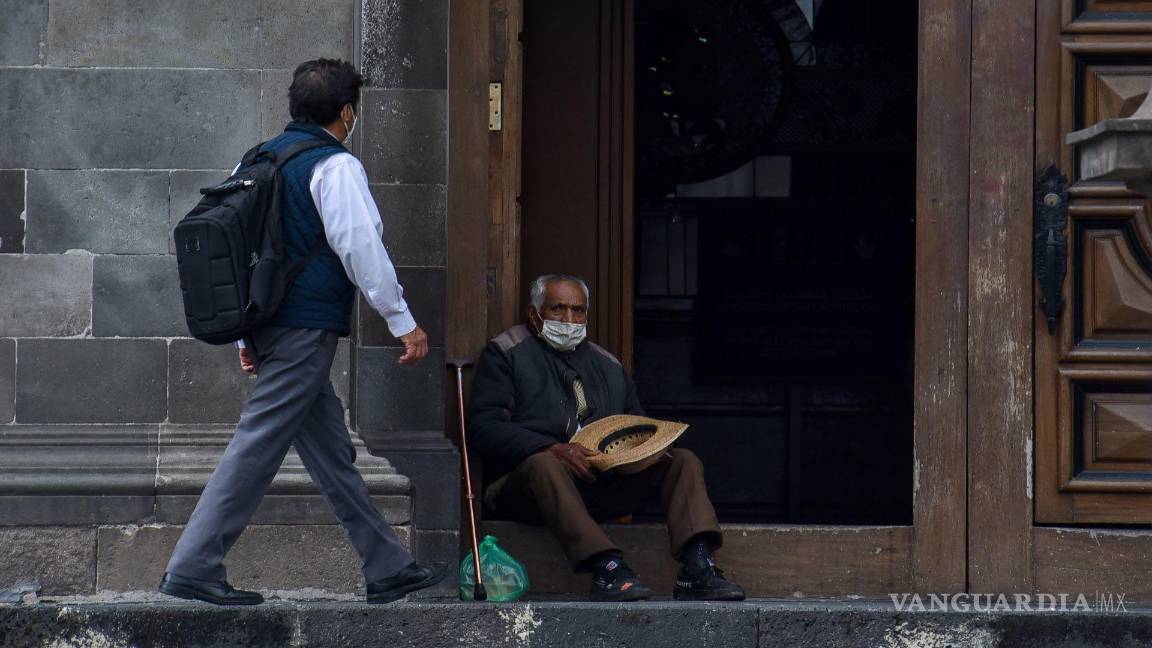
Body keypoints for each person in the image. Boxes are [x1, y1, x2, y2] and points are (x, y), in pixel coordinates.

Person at [159, 59, 449, 605]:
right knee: (259, 442)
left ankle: (387, 567)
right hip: (304, 328)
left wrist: (245, 337)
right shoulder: (334, 165)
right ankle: (193, 565)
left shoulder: (256, 159)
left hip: (267, 325)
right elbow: (360, 246)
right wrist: (402, 321)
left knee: (331, 452)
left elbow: (238, 253)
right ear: (347, 112)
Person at [468, 274, 745, 602]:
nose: (569, 320)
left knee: (681, 460)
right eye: (558, 309)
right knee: (544, 464)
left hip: (599, 484)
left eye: (578, 311)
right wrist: (552, 448)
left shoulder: (608, 364)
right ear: (534, 313)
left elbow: (637, 427)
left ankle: (697, 566)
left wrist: (641, 452)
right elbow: (483, 427)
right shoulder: (506, 352)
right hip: (529, 490)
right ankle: (607, 567)